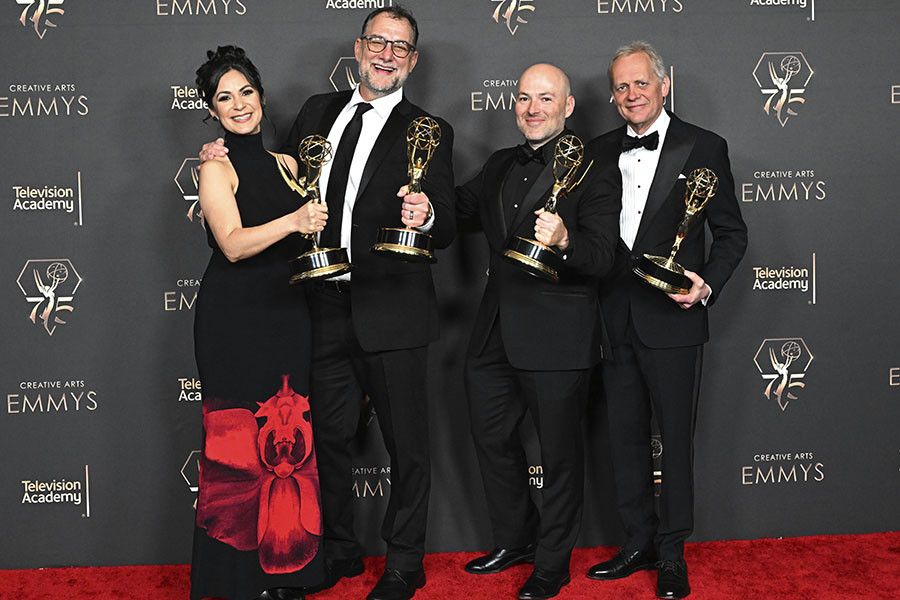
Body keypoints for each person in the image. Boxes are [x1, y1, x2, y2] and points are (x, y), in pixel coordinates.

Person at [201, 7, 454, 600]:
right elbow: (270, 178)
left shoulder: (429, 130)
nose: (386, 54)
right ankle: (337, 550)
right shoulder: (317, 111)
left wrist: (428, 213)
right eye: (377, 42)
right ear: (358, 47)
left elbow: (445, 214)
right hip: (319, 306)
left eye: (400, 47)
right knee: (328, 440)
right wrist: (222, 148)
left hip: (393, 309)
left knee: (406, 445)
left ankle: (403, 564)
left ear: (413, 60)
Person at [585, 42, 748, 599]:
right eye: (622, 87)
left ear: (664, 84)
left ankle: (673, 552)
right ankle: (637, 543)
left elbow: (731, 232)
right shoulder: (597, 150)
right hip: (610, 316)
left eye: (641, 84)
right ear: (612, 94)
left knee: (674, 439)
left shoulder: (705, 146)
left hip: (673, 318)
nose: (632, 95)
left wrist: (707, 284)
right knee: (623, 436)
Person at [456, 63, 621, 600]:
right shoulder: (503, 162)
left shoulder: (595, 168)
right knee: (490, 436)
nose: (532, 108)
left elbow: (604, 256)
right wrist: (420, 201)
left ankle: (551, 562)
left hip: (558, 334)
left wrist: (567, 239)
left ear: (568, 106)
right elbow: (458, 207)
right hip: (493, 330)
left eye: (545, 99)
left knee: (559, 455)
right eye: (524, 98)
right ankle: (516, 538)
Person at [191, 45, 328, 600]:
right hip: (235, 319)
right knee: (238, 445)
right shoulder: (214, 167)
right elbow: (232, 244)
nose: (239, 104)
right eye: (225, 97)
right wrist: (293, 219)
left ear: (262, 97)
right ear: (211, 110)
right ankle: (235, 580)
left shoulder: (287, 164)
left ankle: (289, 571)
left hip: (288, 316)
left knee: (289, 436)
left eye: (246, 91)